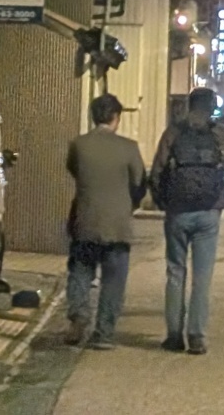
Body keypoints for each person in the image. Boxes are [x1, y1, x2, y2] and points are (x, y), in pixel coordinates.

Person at [150, 88, 224, 354]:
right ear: (211, 107)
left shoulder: (174, 132)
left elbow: (157, 171)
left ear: (189, 105)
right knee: (202, 276)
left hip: (178, 211)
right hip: (209, 211)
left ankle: (174, 335)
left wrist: (163, 202)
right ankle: (197, 336)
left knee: (175, 271)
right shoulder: (219, 133)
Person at [65, 93, 147, 350]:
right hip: (118, 224)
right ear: (116, 117)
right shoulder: (129, 147)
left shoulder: (79, 145)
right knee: (113, 281)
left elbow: (74, 171)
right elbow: (139, 183)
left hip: (86, 220)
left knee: (80, 271)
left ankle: (79, 313)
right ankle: (104, 333)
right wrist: (129, 204)